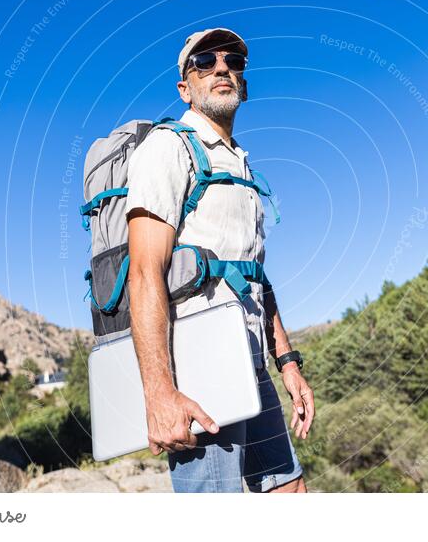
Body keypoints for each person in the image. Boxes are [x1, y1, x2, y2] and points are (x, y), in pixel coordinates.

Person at [124, 28, 315, 493]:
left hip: (252, 363)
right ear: (185, 87)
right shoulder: (169, 147)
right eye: (205, 61)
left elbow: (254, 277)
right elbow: (145, 272)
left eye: (233, 62)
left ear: (243, 84)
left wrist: (287, 364)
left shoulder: (241, 165)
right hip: (199, 364)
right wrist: (158, 393)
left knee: (291, 493)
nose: (223, 67)